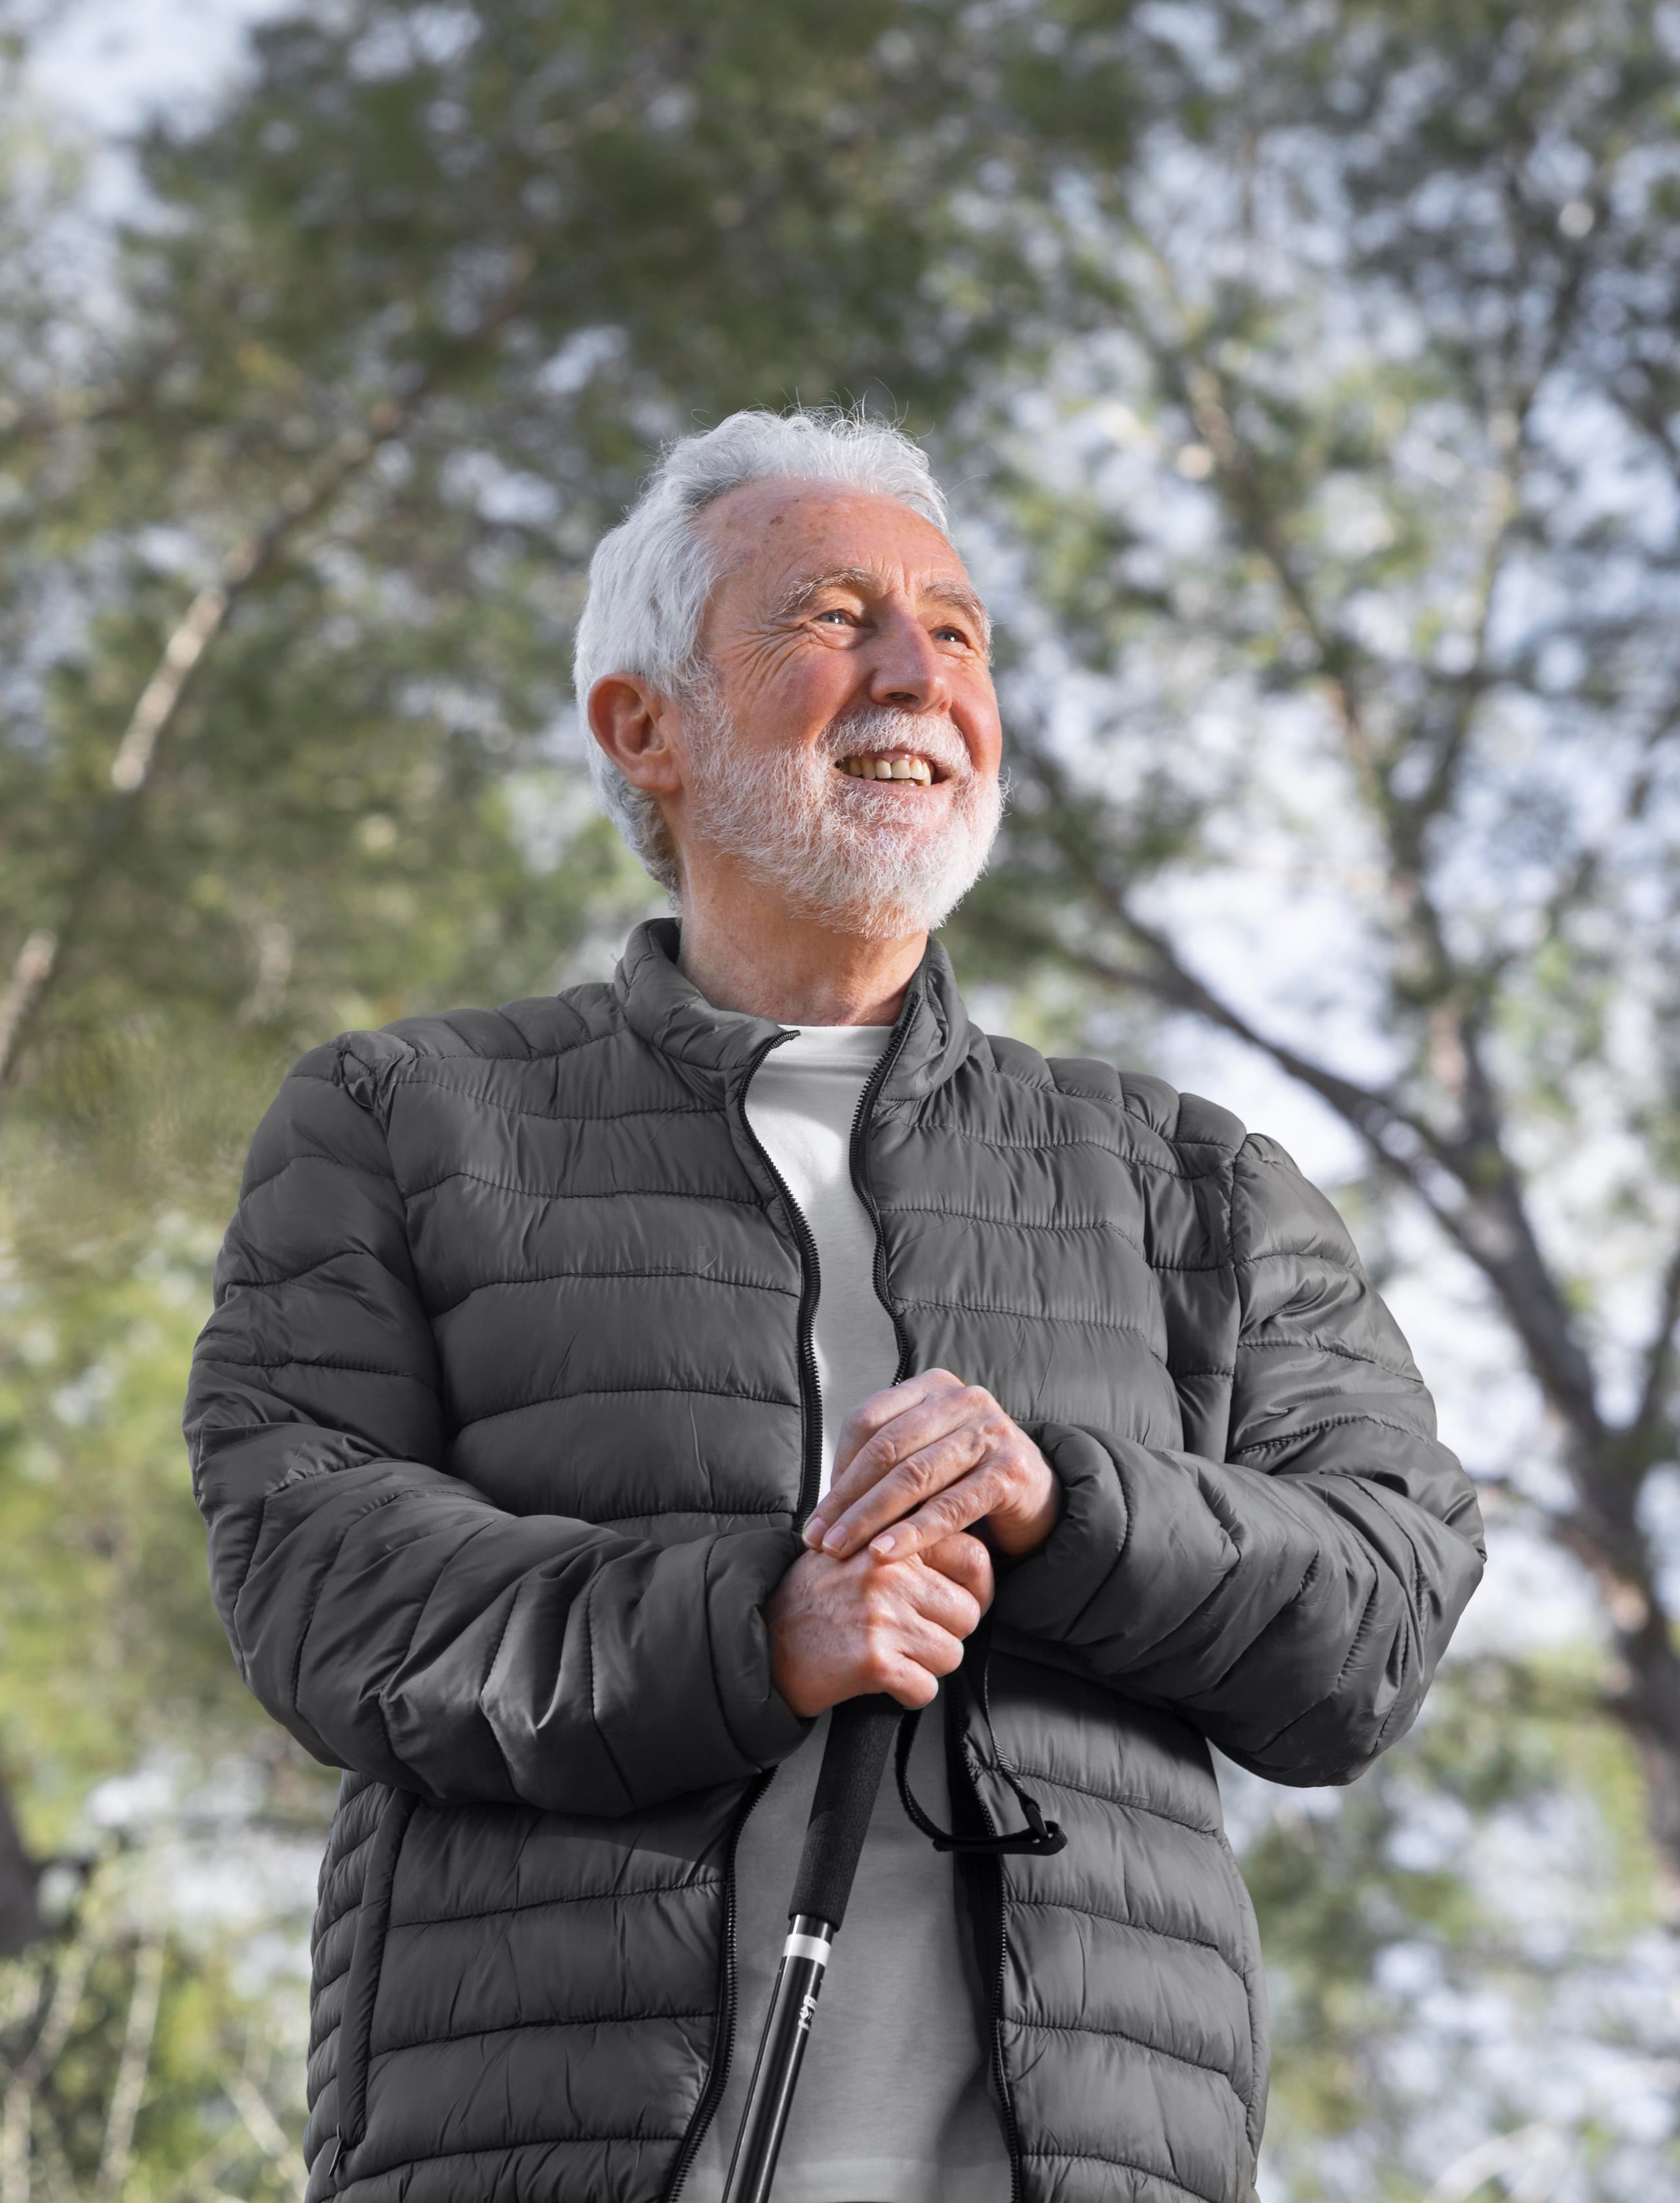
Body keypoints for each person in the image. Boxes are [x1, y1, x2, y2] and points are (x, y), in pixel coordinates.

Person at [184, 410, 1484, 2203]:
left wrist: (1068, 1506)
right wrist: (759, 1625)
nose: (915, 677)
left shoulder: (1194, 1180)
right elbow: (313, 1573)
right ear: (645, 727)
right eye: (832, 621)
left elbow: (1386, 1599)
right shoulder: (407, 1124)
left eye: (956, 634)